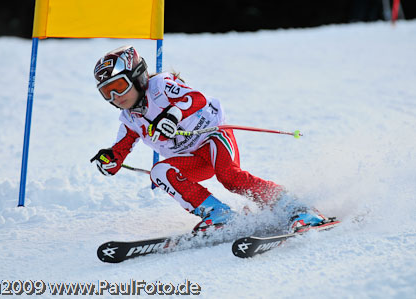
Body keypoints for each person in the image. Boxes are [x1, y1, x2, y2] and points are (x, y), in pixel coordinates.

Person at [90, 45, 326, 233]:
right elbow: (120, 149)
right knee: (160, 172)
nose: (115, 97)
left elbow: (196, 98)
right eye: (106, 92)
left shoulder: (160, 86)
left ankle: (297, 208)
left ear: (138, 77)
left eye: (119, 86)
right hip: (192, 159)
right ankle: (220, 215)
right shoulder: (130, 118)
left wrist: (173, 114)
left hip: (213, 137)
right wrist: (111, 160)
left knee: (230, 177)